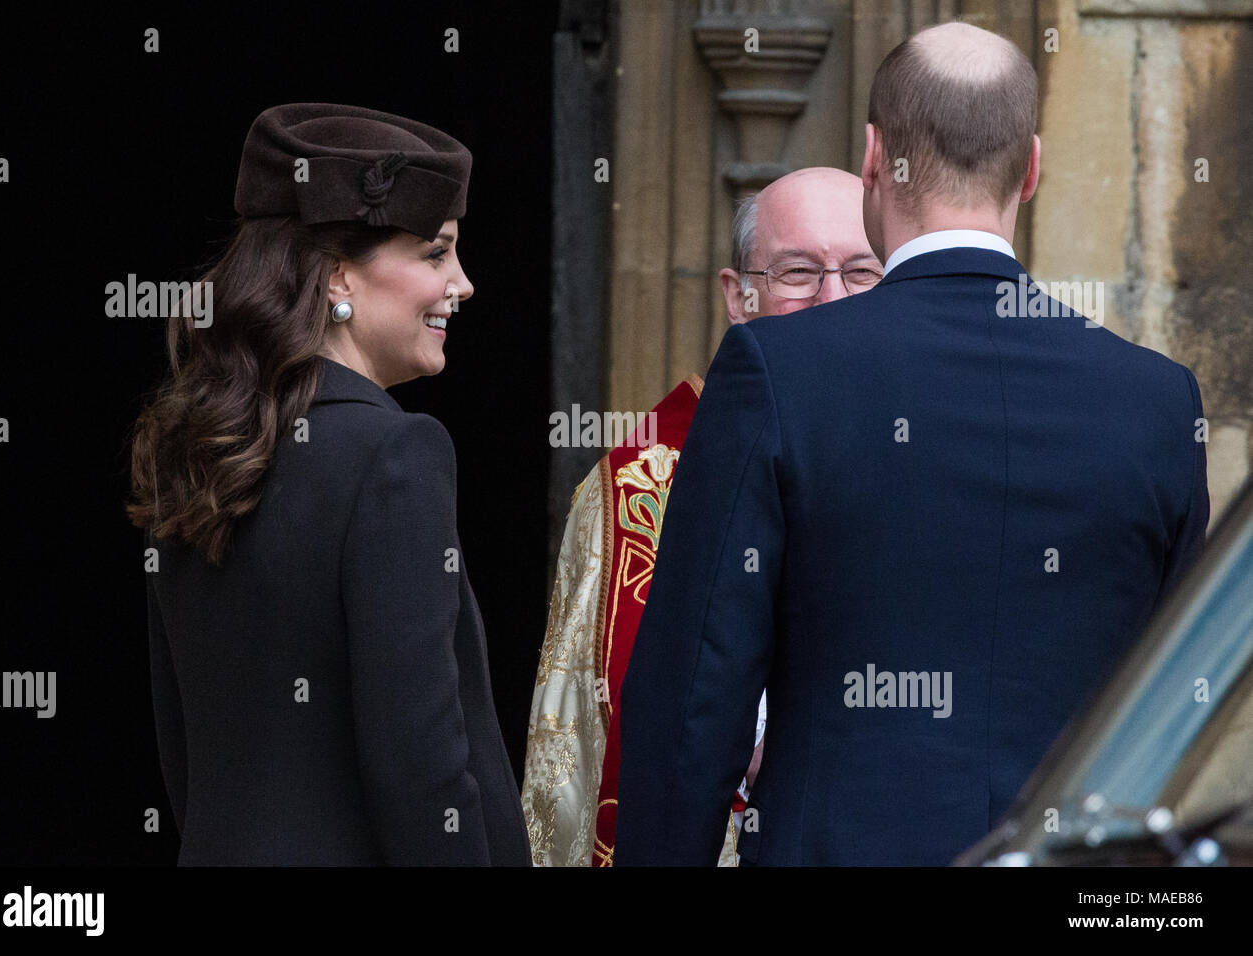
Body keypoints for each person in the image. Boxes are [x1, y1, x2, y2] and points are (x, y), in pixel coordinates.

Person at [615, 22, 1209, 866]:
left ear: (871, 158)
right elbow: (1182, 713)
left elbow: (691, 704)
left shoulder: (777, 370)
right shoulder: (1156, 401)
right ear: (1032, 167)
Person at [127, 103, 531, 866]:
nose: (464, 284)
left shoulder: (195, 445)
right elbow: (424, 768)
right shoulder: (395, 453)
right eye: (436, 253)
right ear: (339, 273)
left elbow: (182, 751)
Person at [522, 168, 883, 865]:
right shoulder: (630, 492)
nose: (833, 298)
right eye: (799, 271)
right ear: (738, 295)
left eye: (863, 271)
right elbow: (569, 771)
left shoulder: (937, 456)